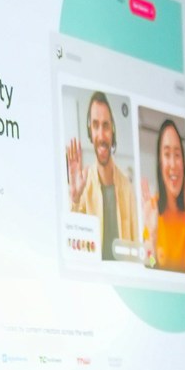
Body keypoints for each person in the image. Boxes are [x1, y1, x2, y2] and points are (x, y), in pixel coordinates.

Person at [64, 89, 139, 259]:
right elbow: (73, 247)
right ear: (90, 131)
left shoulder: (127, 188)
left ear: (112, 131)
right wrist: (75, 199)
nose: (101, 135)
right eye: (96, 125)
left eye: (105, 126)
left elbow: (136, 251)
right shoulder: (83, 186)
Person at [144, 116, 185, 273]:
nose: (172, 164)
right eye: (167, 154)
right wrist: (151, 238)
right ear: (160, 162)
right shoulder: (152, 209)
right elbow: (149, 263)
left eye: (177, 155)